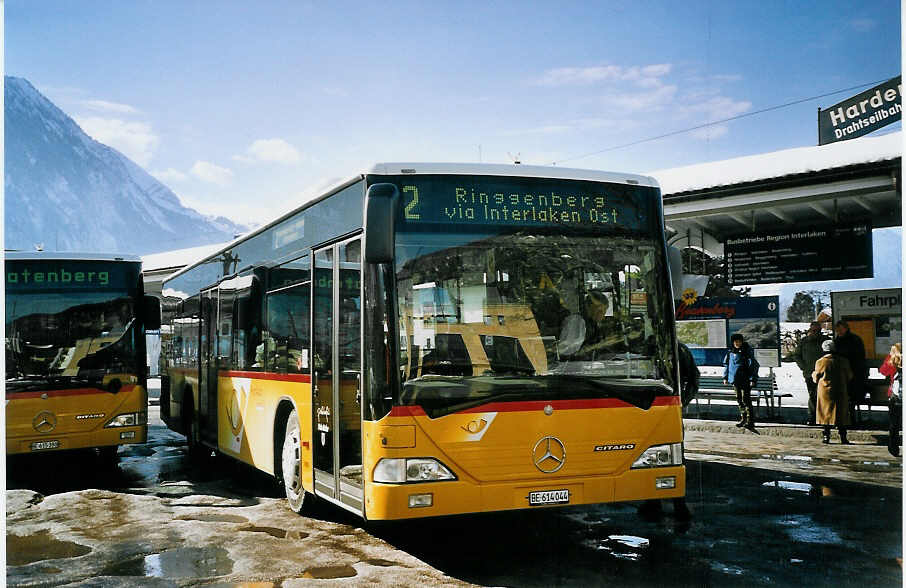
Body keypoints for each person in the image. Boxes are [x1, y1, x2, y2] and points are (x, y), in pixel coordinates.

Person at [812, 340, 853, 444]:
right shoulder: (844, 361)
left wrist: (813, 375)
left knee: (825, 414)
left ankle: (826, 436)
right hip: (840, 390)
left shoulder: (820, 362)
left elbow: (816, 377)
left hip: (825, 392)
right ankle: (843, 437)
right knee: (841, 414)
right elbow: (850, 376)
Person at [791, 322, 829, 425]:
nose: (816, 332)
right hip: (809, 373)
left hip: (824, 373)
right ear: (810, 330)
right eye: (813, 330)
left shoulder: (825, 340)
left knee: (824, 396)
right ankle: (813, 417)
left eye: (818, 330)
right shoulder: (804, 341)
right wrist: (804, 367)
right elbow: (796, 355)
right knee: (813, 395)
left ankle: (824, 417)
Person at [723, 333, 759, 432]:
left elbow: (754, 366)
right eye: (735, 342)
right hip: (735, 380)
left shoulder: (746, 352)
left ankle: (750, 421)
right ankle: (743, 419)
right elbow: (726, 365)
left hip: (745, 380)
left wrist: (753, 379)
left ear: (742, 342)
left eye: (739, 341)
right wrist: (725, 377)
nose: (737, 343)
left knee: (746, 400)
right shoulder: (730, 352)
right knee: (739, 399)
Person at [833, 320, 866, 420]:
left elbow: (859, 357)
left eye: (840, 329)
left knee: (852, 397)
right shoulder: (837, 340)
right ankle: (845, 418)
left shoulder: (855, 340)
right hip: (840, 373)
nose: (838, 331)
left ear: (846, 328)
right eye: (837, 330)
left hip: (854, 372)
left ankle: (851, 418)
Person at [879, 342, 902, 457]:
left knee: (894, 423)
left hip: (896, 395)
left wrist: (890, 357)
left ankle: (893, 447)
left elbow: (883, 371)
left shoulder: (892, 360)